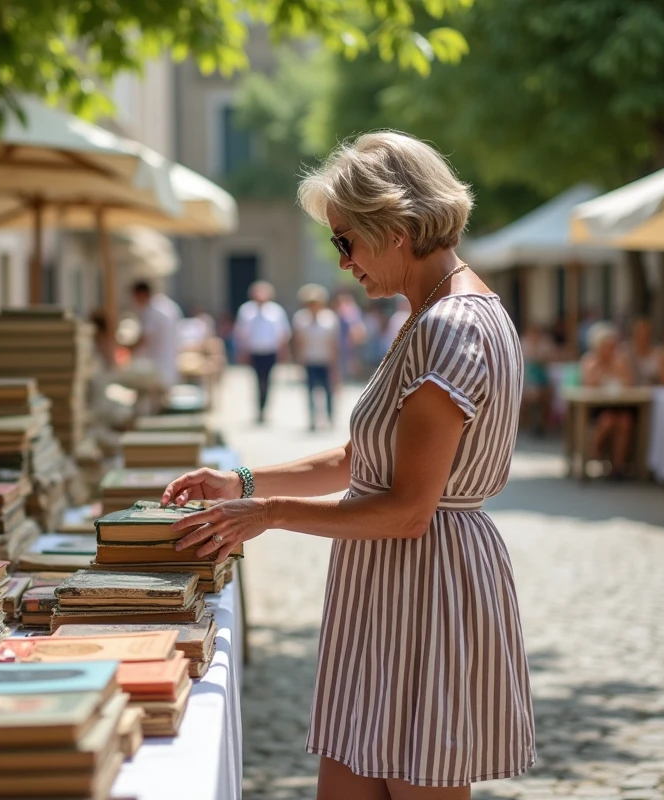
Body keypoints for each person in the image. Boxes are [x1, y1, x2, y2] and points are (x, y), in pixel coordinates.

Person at [162, 131, 534, 800]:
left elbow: (408, 510)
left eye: (344, 240)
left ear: (393, 226)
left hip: (426, 587)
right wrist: (242, 483)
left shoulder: (450, 324)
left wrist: (269, 514)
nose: (342, 262)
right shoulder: (432, 316)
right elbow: (360, 459)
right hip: (394, 585)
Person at [580, 322, 636, 478]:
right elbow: (588, 384)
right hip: (596, 407)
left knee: (625, 421)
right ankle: (593, 453)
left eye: (612, 345)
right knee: (608, 420)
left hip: (619, 404)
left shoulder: (619, 361)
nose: (610, 349)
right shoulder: (590, 361)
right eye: (606, 346)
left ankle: (617, 466)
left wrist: (616, 366)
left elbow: (629, 383)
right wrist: (600, 365)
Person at [234, 280, 291, 424]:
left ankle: (265, 409)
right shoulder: (246, 310)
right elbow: (241, 334)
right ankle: (259, 409)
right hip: (254, 351)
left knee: (268, 381)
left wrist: (284, 353)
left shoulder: (276, 311)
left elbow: (283, 334)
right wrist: (242, 352)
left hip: (270, 351)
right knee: (257, 381)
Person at [292, 284, 341, 431]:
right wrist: (298, 361)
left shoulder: (330, 318)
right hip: (309, 360)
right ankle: (313, 419)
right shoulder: (300, 319)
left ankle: (329, 417)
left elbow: (334, 342)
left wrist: (335, 362)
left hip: (325, 360)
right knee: (310, 390)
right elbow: (298, 341)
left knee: (328, 390)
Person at [129, 280, 182, 388]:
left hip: (158, 369)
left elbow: (144, 339)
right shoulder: (167, 305)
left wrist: (128, 350)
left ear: (141, 294)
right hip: (169, 366)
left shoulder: (151, 311)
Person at [521, 323, 557, 435]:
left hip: (541, 381)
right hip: (527, 382)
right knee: (537, 395)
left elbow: (549, 358)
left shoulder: (543, 344)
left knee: (546, 395)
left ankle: (541, 424)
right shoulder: (523, 344)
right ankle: (536, 424)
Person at [625, 318, 660, 386]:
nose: (643, 339)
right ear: (633, 335)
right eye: (639, 335)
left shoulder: (658, 353)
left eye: (646, 335)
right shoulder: (625, 353)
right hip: (633, 392)